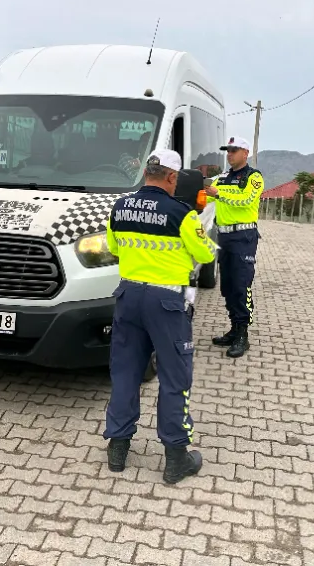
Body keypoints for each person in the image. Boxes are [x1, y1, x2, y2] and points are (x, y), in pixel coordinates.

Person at [103, 149, 217, 484]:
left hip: (128, 296)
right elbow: (205, 253)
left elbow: (114, 247)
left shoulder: (120, 207)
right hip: (166, 302)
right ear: (171, 177)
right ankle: (176, 457)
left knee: (125, 372)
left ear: (146, 173)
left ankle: (118, 448)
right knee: (174, 377)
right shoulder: (182, 214)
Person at [205, 136, 264, 358]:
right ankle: (233, 328)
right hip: (224, 237)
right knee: (228, 286)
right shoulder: (221, 178)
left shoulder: (253, 177)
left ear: (245, 153)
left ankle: (242, 334)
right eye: (227, 150)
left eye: (234, 150)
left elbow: (246, 199)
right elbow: (206, 198)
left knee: (241, 284)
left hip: (243, 237)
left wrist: (219, 193)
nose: (229, 154)